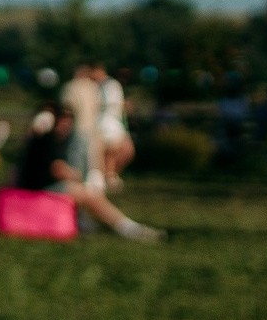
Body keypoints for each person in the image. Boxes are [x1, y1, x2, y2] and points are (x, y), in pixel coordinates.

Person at [16, 103, 163, 240]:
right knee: (89, 195)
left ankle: (103, 224)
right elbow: (59, 170)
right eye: (63, 118)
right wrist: (76, 175)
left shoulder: (51, 140)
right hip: (41, 189)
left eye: (69, 118)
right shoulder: (46, 140)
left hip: (43, 187)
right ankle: (129, 229)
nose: (66, 123)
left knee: (88, 194)